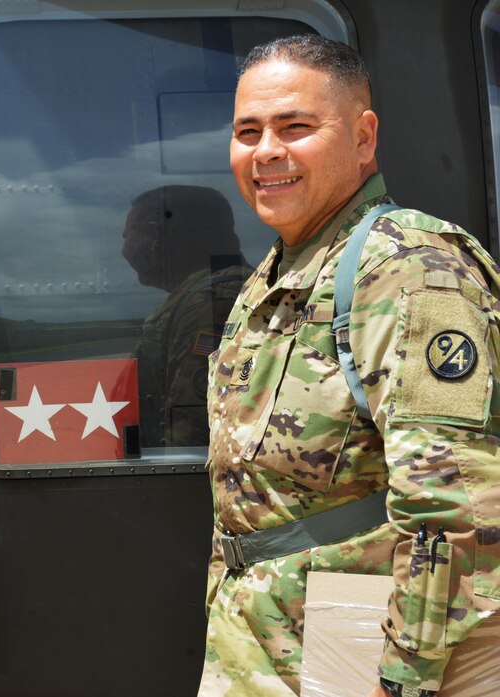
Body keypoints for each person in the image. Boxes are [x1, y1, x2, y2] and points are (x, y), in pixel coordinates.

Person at [200, 34, 500, 697]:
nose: (267, 150)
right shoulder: (278, 275)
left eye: (295, 127)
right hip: (271, 630)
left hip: (355, 632)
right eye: (248, 131)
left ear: (364, 138)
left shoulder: (410, 267)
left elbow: (455, 509)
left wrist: (399, 679)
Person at [123, 185, 250, 448]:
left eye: (128, 237)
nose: (125, 251)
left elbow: (191, 432)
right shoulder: (207, 297)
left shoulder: (212, 304)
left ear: (155, 234)